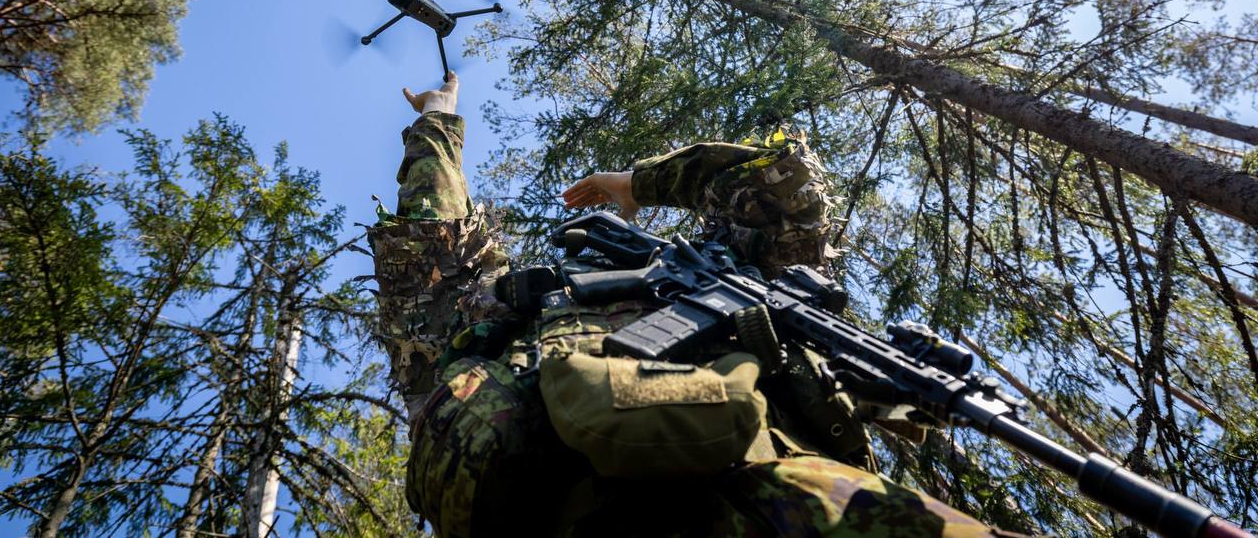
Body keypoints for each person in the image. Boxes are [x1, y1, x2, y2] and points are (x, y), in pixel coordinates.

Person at [369, 74, 1020, 538]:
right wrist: (437, 119)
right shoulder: (514, 318)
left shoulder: (729, 282)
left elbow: (778, 186)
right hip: (773, 491)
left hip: (784, 482)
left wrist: (638, 182)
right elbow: (434, 242)